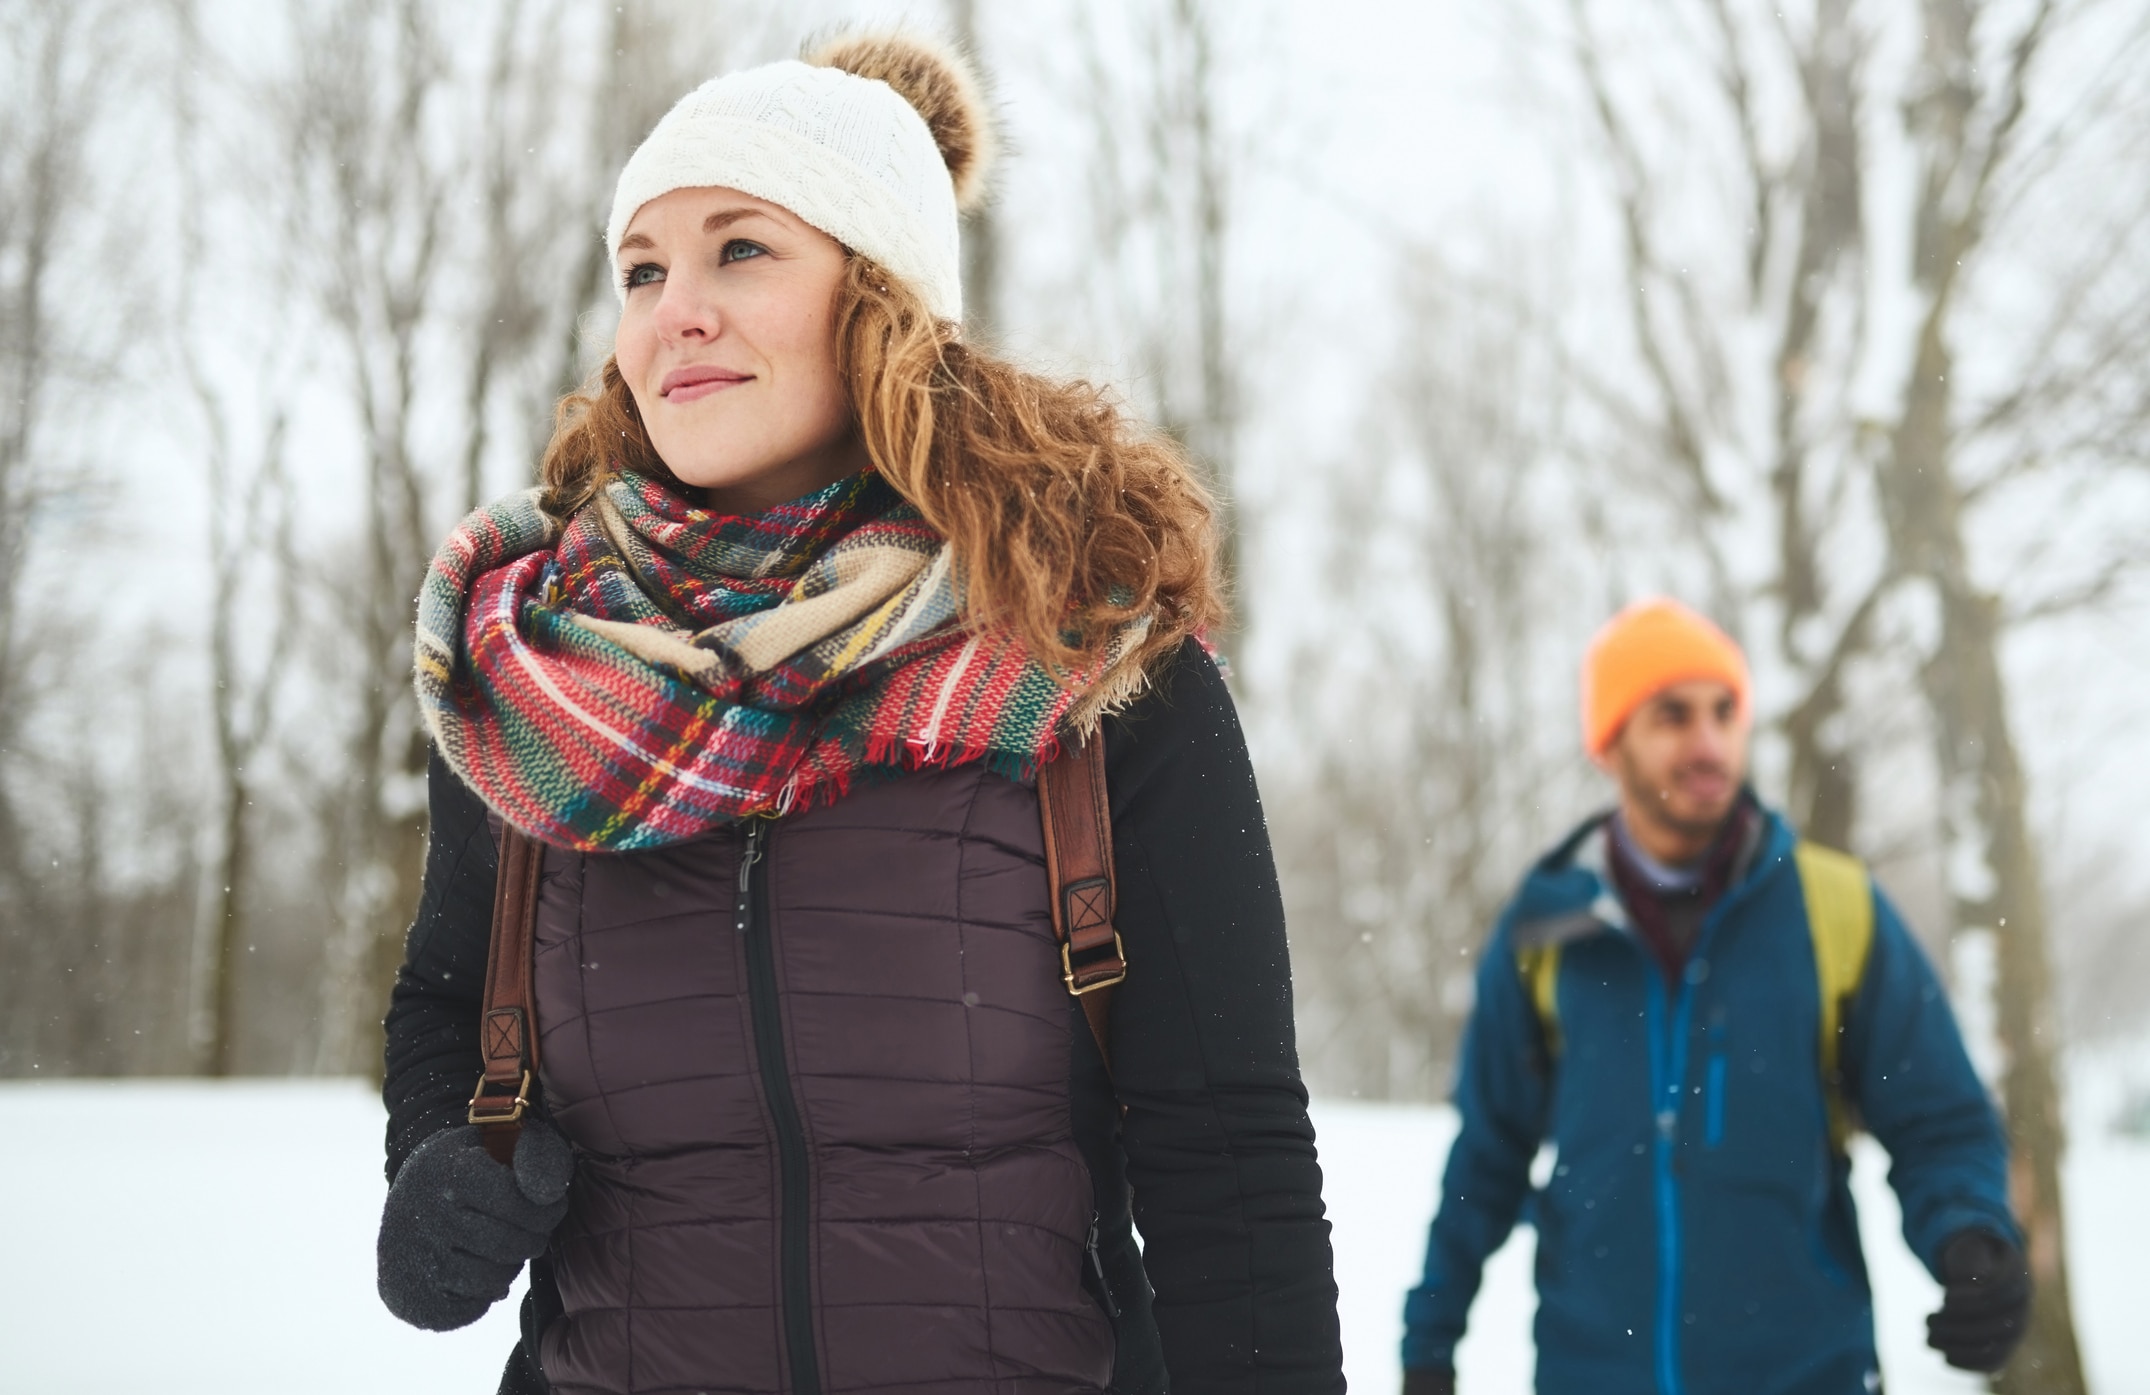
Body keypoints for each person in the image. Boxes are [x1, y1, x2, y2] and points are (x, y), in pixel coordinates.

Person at [374, 31, 1344, 1395]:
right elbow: (447, 1000)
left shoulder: (1088, 658)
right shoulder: (540, 670)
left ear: (881, 298)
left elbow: (1226, 1153)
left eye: (739, 250)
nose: (674, 311)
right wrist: (435, 1165)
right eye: (641, 269)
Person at [1400, 598, 2029, 1395]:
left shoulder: (1835, 907)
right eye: (1672, 715)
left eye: (1725, 711)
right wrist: (1430, 1343)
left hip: (1807, 1375)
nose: (1708, 742)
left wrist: (1972, 1236)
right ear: (1610, 742)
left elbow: (1939, 1117)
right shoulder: (1547, 926)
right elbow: (1486, 1155)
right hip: (1592, 1374)